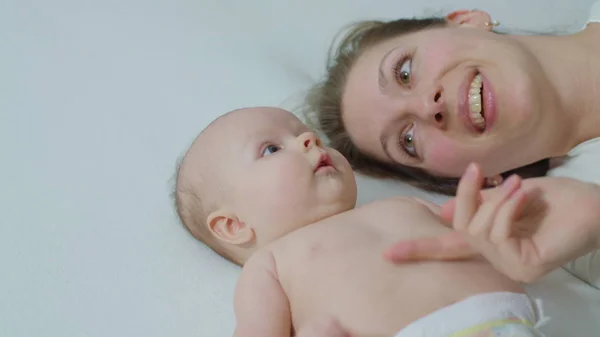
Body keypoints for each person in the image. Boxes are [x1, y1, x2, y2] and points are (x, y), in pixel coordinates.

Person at [172, 107, 600, 336]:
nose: (307, 139)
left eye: (307, 134)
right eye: (270, 149)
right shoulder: (272, 264)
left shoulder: (405, 205)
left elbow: (487, 230)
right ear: (233, 226)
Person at [304, 3, 600, 288]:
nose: (425, 106)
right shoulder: (573, 235)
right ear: (474, 180)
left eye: (404, 73)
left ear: (466, 21)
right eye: (408, 141)